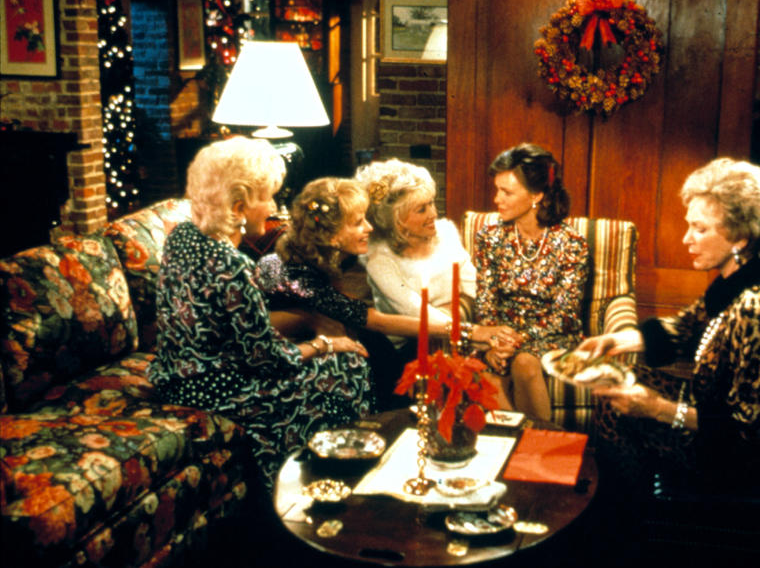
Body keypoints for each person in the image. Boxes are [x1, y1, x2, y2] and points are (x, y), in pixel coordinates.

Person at [148, 137, 372, 495]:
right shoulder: (232, 265)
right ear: (238, 206)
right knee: (349, 366)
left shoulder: (182, 236)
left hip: (171, 376)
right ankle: (324, 484)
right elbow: (270, 360)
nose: (273, 206)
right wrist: (327, 343)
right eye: (267, 197)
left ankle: (301, 475)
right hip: (212, 388)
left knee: (329, 365)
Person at [579, 158, 760, 486]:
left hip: (755, 459)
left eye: (700, 228)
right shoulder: (737, 281)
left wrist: (657, 409)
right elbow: (687, 326)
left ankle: (628, 518)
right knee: (619, 382)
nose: (686, 239)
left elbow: (747, 429)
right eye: (689, 225)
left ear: (741, 238)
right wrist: (619, 341)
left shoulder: (758, 308)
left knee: (616, 411)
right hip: (719, 416)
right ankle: (632, 506)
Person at [255, 177, 456, 409]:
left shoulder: (324, 254)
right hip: (276, 353)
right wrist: (461, 331)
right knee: (373, 347)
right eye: (358, 222)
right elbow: (375, 321)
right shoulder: (300, 273)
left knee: (381, 344)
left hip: (314, 329)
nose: (369, 227)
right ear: (332, 237)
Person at [473, 143, 589, 422]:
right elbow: (486, 301)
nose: (496, 198)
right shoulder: (489, 237)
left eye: (507, 192)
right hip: (501, 335)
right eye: (497, 189)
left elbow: (564, 315)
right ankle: (518, 449)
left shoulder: (571, 243)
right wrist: (494, 342)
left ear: (536, 195)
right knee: (481, 372)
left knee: (524, 363)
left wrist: (515, 343)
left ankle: (540, 445)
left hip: (552, 336)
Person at [357, 158, 510, 356]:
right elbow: (416, 313)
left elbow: (475, 284)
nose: (433, 214)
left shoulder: (444, 233)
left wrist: (496, 327)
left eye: (431, 203)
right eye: (421, 209)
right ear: (397, 222)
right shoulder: (379, 260)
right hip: (411, 346)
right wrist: (468, 329)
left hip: (458, 327)